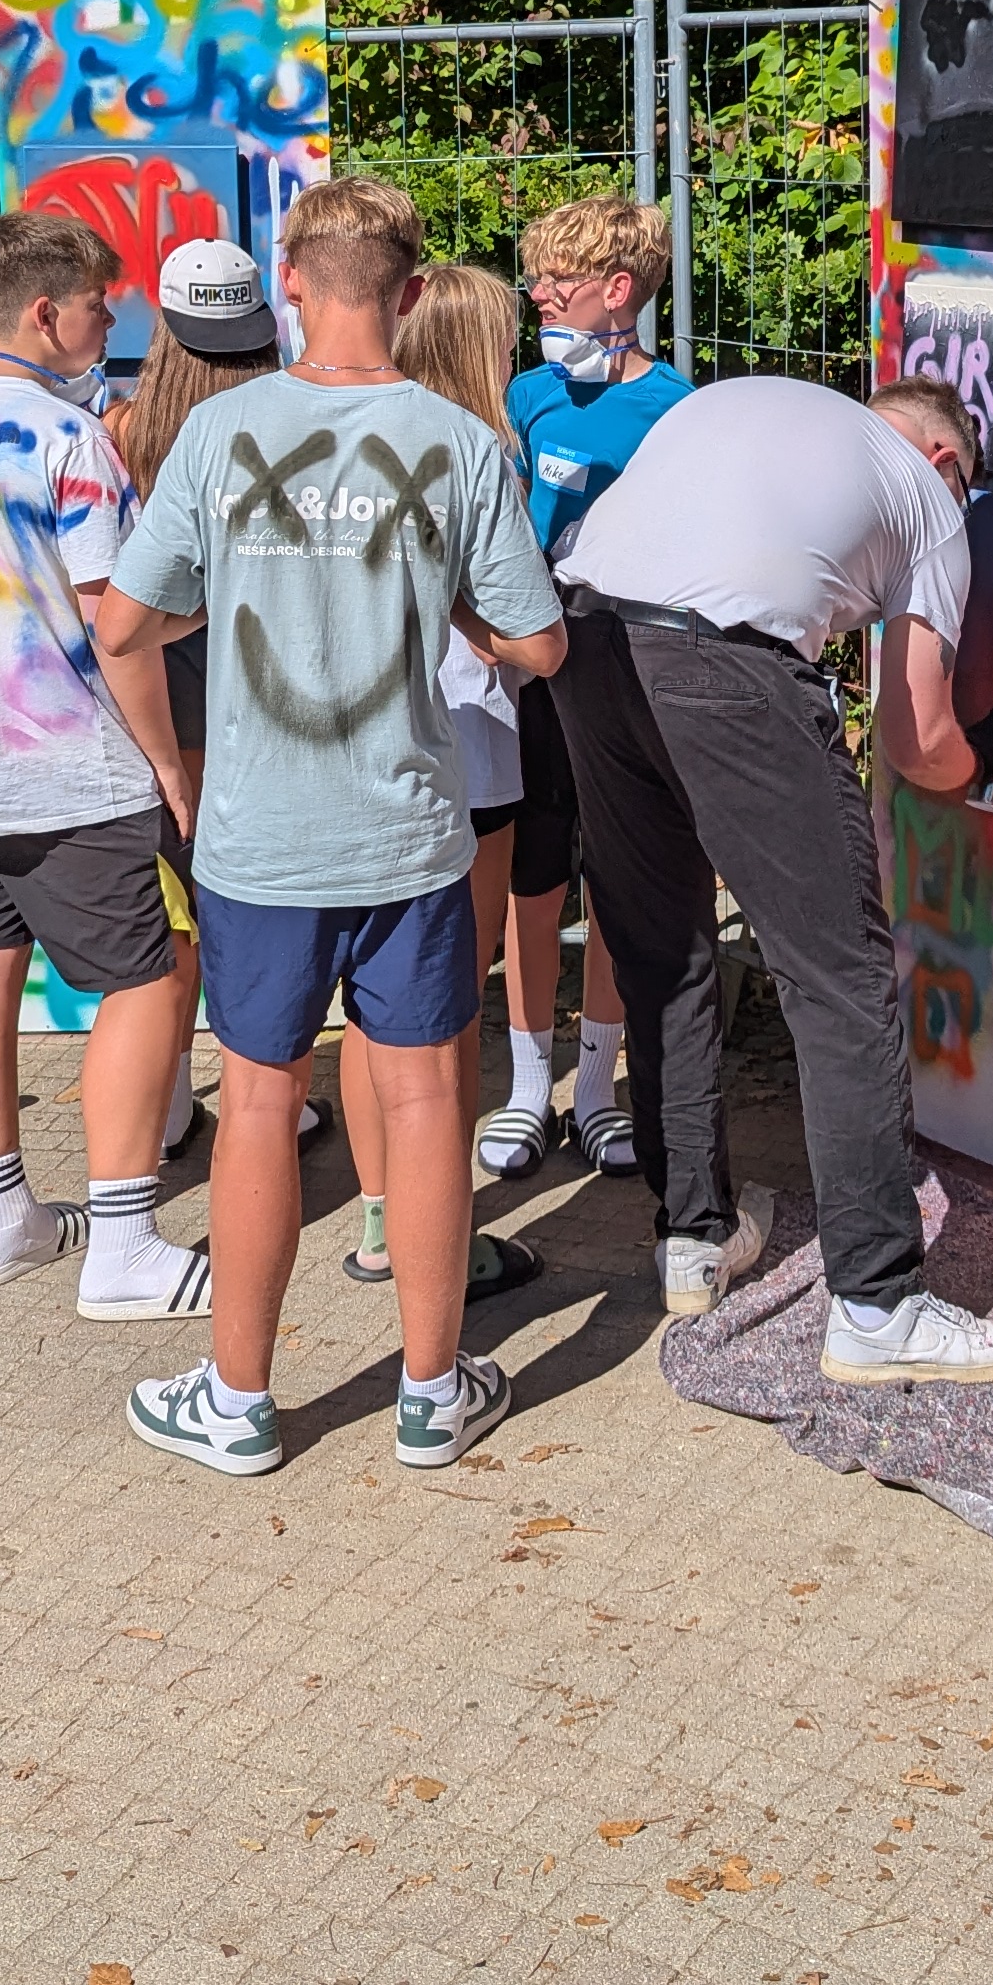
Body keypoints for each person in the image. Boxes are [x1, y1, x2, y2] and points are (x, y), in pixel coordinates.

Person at [94, 179, 568, 1479]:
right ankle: (432, 1396)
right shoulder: (462, 441)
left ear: (291, 282)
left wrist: (175, 770)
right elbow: (539, 644)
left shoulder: (218, 433)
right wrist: (451, 610)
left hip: (259, 840)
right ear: (410, 293)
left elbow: (125, 627)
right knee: (425, 1099)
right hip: (408, 835)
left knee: (258, 1102)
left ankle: (239, 1404)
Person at [551, 368, 993, 1384]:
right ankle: (878, 1304)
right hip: (724, 663)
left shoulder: (752, 403)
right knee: (841, 981)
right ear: (945, 459)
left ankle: (694, 1235)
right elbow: (916, 741)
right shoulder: (926, 498)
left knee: (661, 951)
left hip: (586, 641)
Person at [0, 211, 207, 1320]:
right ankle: (123, 1246)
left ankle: (1, 1222)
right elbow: (118, 624)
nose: (109, 321)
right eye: (95, 304)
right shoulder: (69, 440)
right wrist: (167, 762)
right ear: (43, 312)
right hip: (71, 767)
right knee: (147, 982)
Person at [336, 261, 545, 1301]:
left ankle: (382, 1220)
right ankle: (441, 1233)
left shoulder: (362, 444)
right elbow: (520, 635)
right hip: (472, 746)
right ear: (476, 349)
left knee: (370, 1003)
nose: (518, 356)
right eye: (506, 340)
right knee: (451, 1000)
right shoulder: (482, 454)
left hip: (369, 746)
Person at [110, 234, 323, 1165]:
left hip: (153, 689)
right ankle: (261, 1095)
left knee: (177, 905)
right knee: (243, 908)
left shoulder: (121, 430)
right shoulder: (287, 422)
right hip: (263, 690)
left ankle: (162, 1109)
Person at [485, 195, 683, 1178]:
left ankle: (599, 1089)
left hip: (626, 671)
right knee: (534, 878)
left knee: (613, 882)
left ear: (618, 290)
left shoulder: (678, 406)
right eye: (535, 283)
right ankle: (530, 1087)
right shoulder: (527, 393)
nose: (539, 299)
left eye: (556, 284)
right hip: (531, 672)